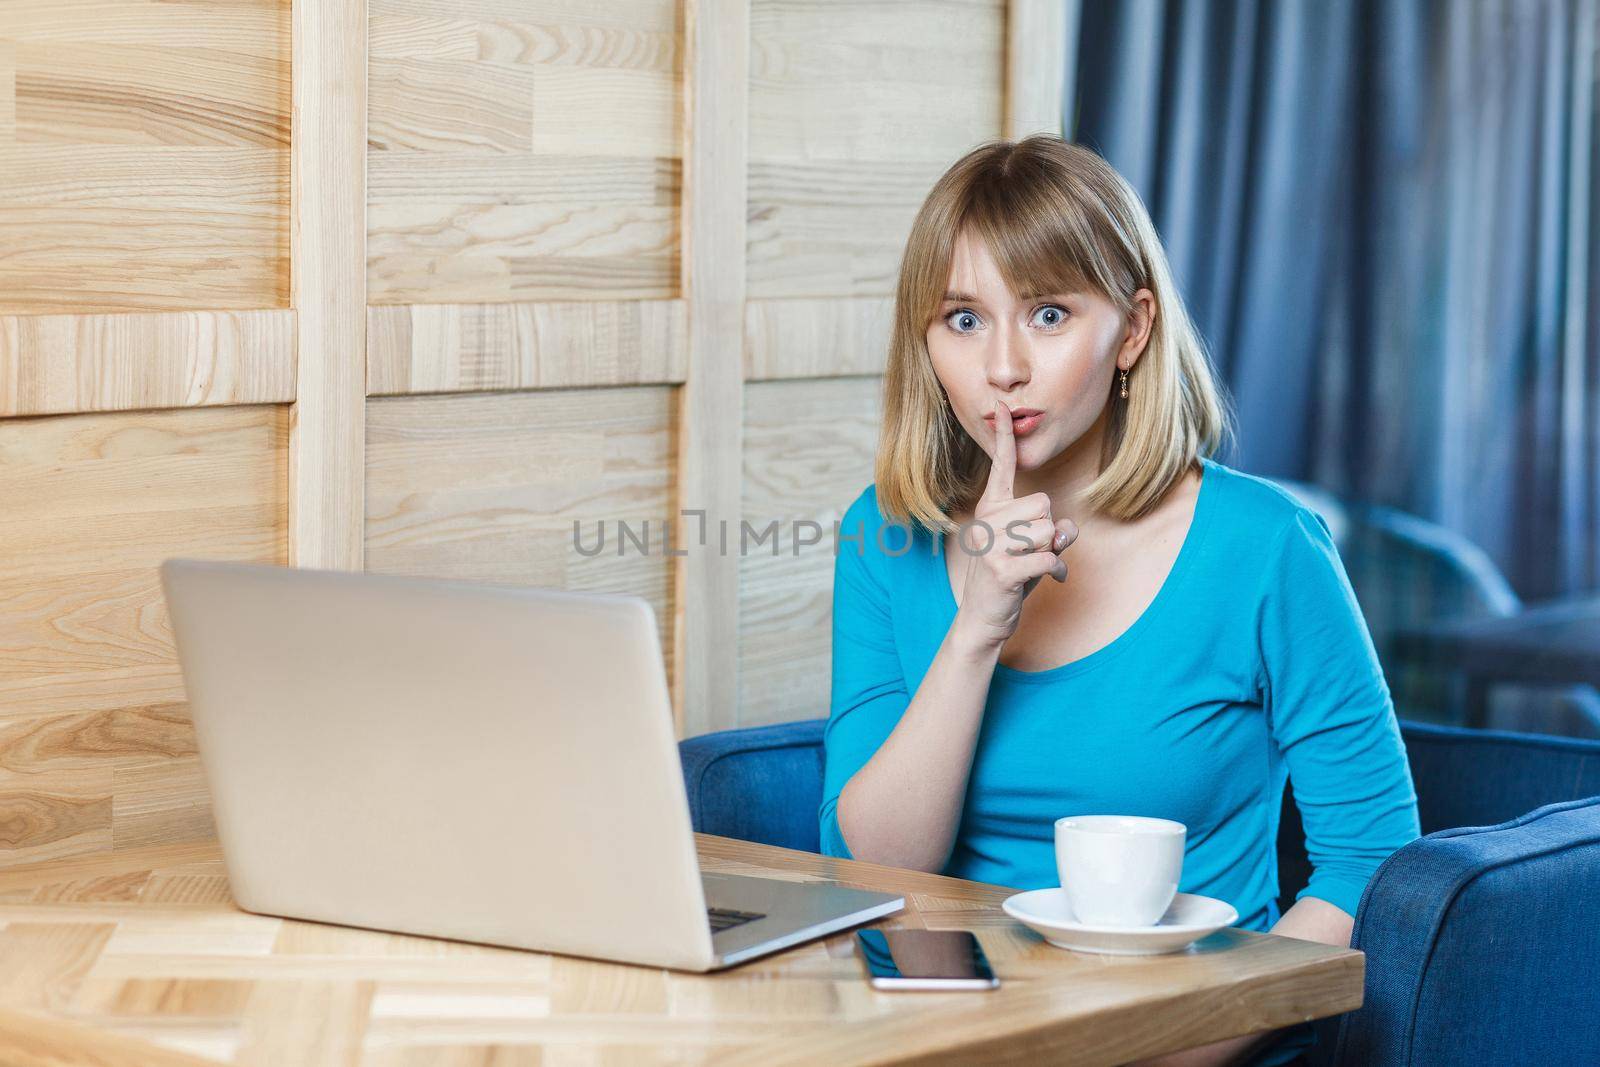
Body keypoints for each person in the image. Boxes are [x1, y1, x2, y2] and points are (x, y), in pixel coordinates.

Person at [819, 135, 1421, 1067]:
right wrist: (977, 625)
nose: (1004, 367)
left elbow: (1370, 858)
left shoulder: (1264, 547)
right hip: (925, 1039)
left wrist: (1174, 1046)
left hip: (1183, 1041)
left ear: (1133, 329)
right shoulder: (885, 532)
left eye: (1049, 314)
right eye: (964, 319)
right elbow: (877, 864)